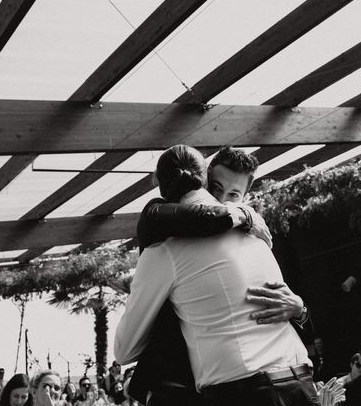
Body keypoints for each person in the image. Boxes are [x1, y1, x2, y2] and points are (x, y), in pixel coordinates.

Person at [115, 145, 316, 406]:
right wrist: (242, 213)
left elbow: (124, 351)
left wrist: (301, 310)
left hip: (244, 391)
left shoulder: (164, 251)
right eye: (218, 189)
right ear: (205, 179)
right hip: (300, 381)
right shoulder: (258, 235)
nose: (223, 200)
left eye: (233, 194)